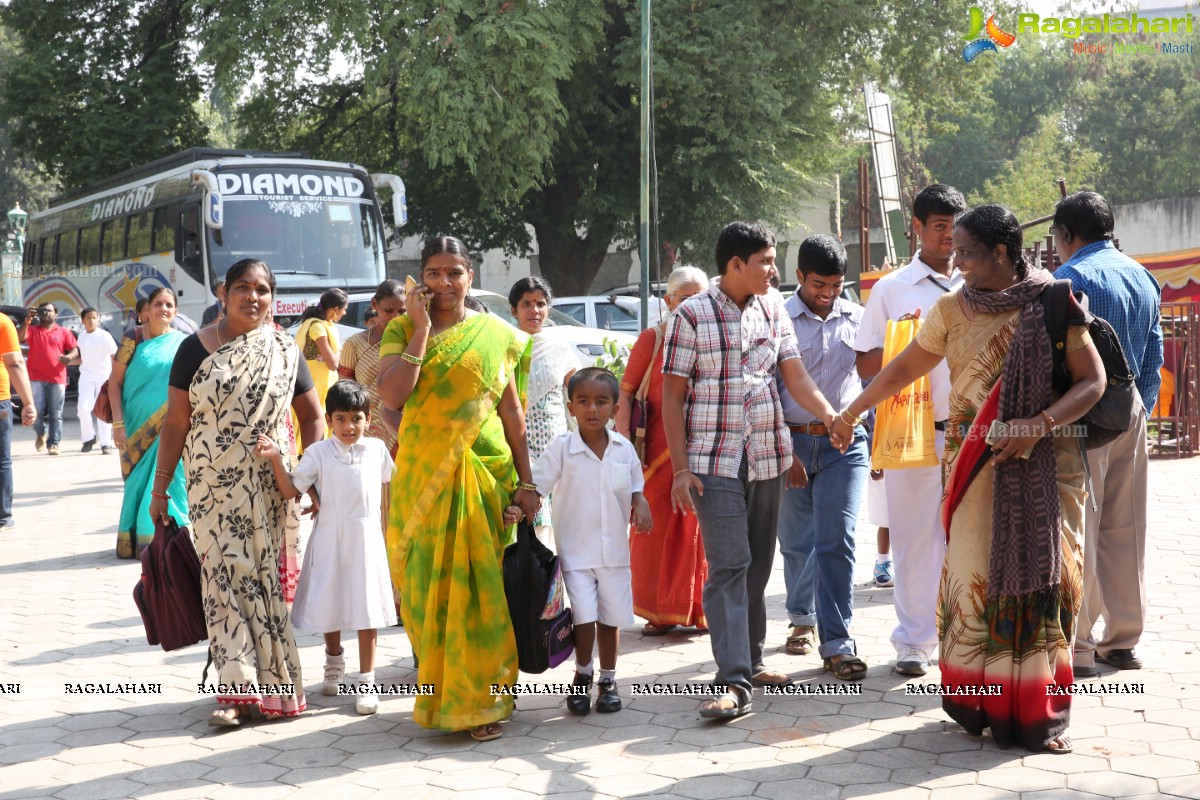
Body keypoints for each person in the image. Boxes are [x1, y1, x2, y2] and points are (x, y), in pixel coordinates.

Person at [832, 204, 1104, 754]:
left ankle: (1035, 709)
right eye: (953, 249)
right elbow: (905, 365)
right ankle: (976, 701)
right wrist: (852, 410)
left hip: (1043, 464)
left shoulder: (1054, 301)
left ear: (1001, 253)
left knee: (1043, 580)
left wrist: (1037, 423)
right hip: (971, 463)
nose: (955, 261)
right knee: (973, 578)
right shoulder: (951, 309)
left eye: (966, 252)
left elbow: (1092, 382)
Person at [661, 221, 839, 718]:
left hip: (766, 456)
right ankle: (733, 681)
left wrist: (829, 416)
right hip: (709, 463)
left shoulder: (773, 309)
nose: (773, 270)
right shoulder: (690, 316)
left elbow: (795, 376)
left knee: (758, 565)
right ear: (735, 264)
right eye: (764, 261)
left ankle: (753, 658)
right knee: (730, 566)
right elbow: (672, 396)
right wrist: (679, 469)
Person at [376, 236, 539, 742]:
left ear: (470, 276)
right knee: (426, 591)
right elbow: (391, 395)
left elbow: (512, 412)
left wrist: (527, 481)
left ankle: (482, 701)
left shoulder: (497, 333)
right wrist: (421, 331)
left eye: (454, 273)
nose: (443, 283)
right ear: (419, 279)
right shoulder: (402, 328)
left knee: (483, 592)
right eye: (432, 274)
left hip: (484, 475)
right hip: (425, 475)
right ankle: (442, 693)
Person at [149, 259, 323, 726]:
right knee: (223, 582)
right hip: (210, 488)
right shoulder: (194, 348)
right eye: (243, 288)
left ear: (273, 296)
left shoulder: (285, 349)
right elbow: (176, 423)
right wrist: (160, 489)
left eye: (262, 289)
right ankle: (233, 690)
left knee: (262, 583)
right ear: (223, 293)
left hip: (269, 487)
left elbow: (312, 417)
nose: (253, 297)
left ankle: (272, 688)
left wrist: (311, 475)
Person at [853, 183, 967, 676]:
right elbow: (864, 363)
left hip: (968, 431)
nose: (948, 236)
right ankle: (914, 641)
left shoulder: (979, 283)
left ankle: (963, 639)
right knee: (913, 539)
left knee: (967, 538)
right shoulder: (892, 289)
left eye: (954, 225)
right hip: (911, 429)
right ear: (916, 228)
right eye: (938, 225)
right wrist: (914, 341)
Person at [1051, 191, 1164, 677]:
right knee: (1126, 529)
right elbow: (1154, 357)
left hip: (1084, 413)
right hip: (1132, 408)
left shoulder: (1069, 279)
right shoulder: (1143, 275)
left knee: (1081, 527)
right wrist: (1138, 409)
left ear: (1065, 235)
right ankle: (1122, 641)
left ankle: (1076, 642)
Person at [256, 380, 396, 716]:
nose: (350, 427)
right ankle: (334, 663)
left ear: (368, 417)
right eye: (341, 419)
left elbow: (389, 489)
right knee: (331, 600)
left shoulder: (377, 450)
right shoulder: (318, 452)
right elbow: (290, 490)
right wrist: (276, 458)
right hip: (330, 537)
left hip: (367, 538)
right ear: (330, 419)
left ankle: (367, 681)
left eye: (357, 418)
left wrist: (391, 533)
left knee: (368, 609)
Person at [776, 235, 870, 680]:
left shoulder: (859, 319)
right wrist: (781, 447)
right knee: (796, 543)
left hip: (844, 446)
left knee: (838, 539)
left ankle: (838, 643)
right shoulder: (776, 318)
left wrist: (867, 429)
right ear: (799, 277)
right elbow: (767, 389)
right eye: (819, 285)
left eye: (836, 285)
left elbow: (873, 379)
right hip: (789, 443)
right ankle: (802, 618)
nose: (828, 294)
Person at [532, 368, 652, 715]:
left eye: (601, 402)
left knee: (610, 618)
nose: (592, 409)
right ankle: (582, 674)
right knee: (583, 617)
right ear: (570, 407)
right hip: (576, 552)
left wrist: (641, 504)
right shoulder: (562, 449)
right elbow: (536, 486)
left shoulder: (623, 449)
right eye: (583, 401)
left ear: (615, 409)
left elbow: (635, 488)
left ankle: (609, 680)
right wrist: (519, 506)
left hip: (614, 552)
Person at [614, 265, 710, 636]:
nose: (692, 305)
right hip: (655, 455)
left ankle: (700, 610)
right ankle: (659, 613)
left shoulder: (714, 336)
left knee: (699, 530)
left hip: (702, 451)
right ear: (669, 301)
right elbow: (625, 393)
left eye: (700, 297)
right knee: (654, 531)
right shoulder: (652, 339)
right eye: (685, 298)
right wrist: (624, 444)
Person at [108, 289, 191, 559]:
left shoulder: (183, 342)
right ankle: (135, 538)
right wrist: (118, 424)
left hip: (174, 423)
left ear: (176, 312)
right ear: (146, 310)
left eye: (169, 305)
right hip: (134, 423)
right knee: (137, 482)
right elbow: (114, 383)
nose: (163, 309)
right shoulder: (132, 339)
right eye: (158, 304)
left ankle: (170, 538)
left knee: (173, 476)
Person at [509, 275, 576, 549]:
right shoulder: (506, 345)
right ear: (514, 310)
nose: (534, 311)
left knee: (559, 522)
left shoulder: (558, 345)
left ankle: (556, 587)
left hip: (554, 441)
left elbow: (577, 388)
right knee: (528, 522)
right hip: (517, 441)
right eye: (526, 304)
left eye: (540, 303)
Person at [338, 280, 406, 457]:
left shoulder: (415, 342)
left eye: (402, 311)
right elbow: (344, 392)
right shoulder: (355, 344)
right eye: (388, 311)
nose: (395, 317)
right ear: (374, 304)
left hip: (404, 427)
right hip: (366, 430)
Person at [21, 303, 78, 456]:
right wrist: (27, 321)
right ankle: (41, 432)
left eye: (50, 311)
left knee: (56, 413)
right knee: (36, 412)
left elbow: (75, 349)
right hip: (36, 378)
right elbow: (20, 337)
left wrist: (68, 357)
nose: (47, 313)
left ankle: (54, 443)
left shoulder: (63, 332)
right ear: (38, 314)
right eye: (43, 311)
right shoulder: (33, 330)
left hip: (57, 377)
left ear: (56, 314)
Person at [0, 312, 38, 529]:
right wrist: (28, 403)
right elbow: (14, 363)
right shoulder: (3, 321)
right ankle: (3, 516)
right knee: (2, 461)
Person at [295, 288, 349, 437]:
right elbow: (333, 364)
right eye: (344, 309)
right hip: (316, 384)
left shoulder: (323, 325)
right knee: (316, 421)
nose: (345, 313)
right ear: (335, 309)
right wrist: (339, 349)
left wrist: (330, 355)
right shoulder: (317, 327)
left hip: (322, 382)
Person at [76, 308, 118, 455]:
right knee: (83, 408)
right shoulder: (81, 337)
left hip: (104, 377)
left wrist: (115, 377)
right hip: (86, 377)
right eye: (88, 318)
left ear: (98, 319)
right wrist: (67, 360)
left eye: (94, 318)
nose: (91, 320)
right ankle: (88, 438)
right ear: (83, 320)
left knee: (102, 410)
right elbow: (84, 357)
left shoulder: (105, 336)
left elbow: (115, 357)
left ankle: (106, 444)